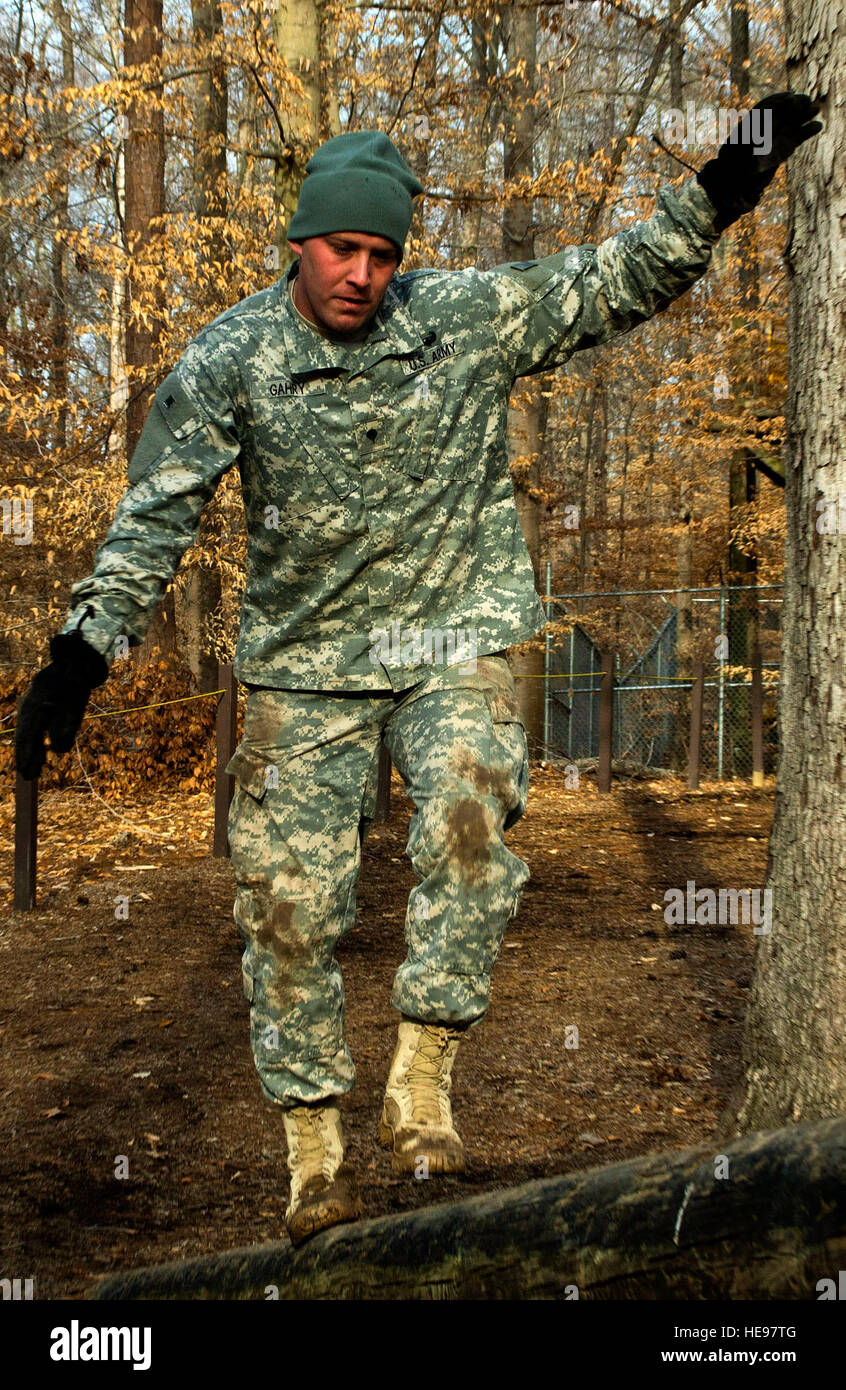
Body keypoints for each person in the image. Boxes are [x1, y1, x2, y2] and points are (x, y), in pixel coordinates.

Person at [15, 96, 822, 1247]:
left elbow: (619, 276)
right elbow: (155, 516)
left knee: (468, 821)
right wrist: (79, 655)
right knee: (287, 907)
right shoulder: (231, 356)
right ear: (300, 241)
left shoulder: (465, 319)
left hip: (452, 638)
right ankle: (313, 1150)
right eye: (342, 249)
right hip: (305, 665)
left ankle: (424, 1071)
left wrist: (731, 174)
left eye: (383, 254)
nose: (361, 274)